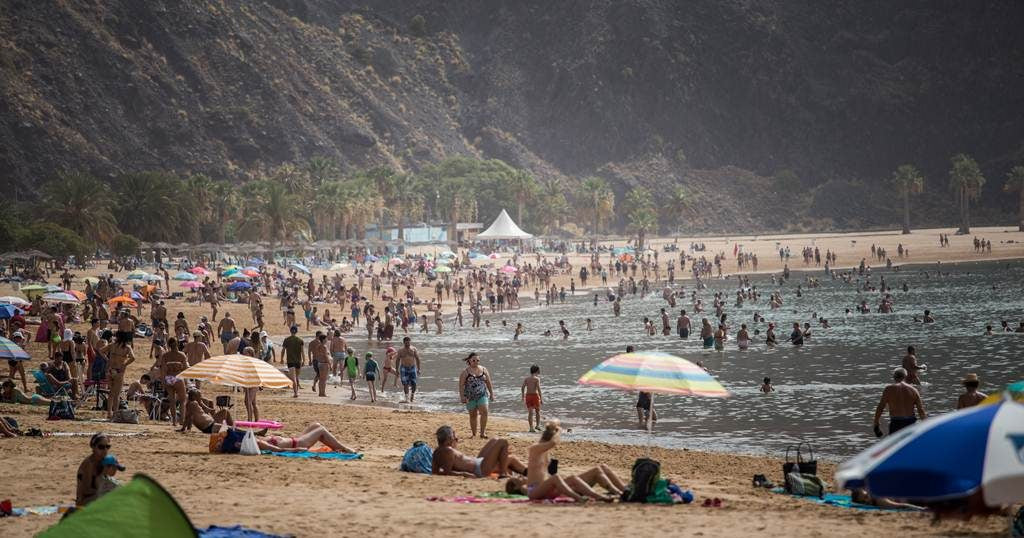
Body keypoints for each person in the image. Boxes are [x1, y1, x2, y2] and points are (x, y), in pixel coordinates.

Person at [507, 421, 624, 502]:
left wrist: (552, 429)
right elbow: (552, 443)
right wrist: (559, 431)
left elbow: (546, 442)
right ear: (516, 487)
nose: (519, 476)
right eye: (516, 479)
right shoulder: (533, 451)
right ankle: (589, 497)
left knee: (596, 470)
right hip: (537, 491)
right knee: (556, 477)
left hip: (547, 487)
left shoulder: (540, 453)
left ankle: (621, 492)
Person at [431, 425, 525, 478]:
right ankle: (504, 474)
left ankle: (522, 472)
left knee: (495, 440)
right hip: (479, 469)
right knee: (503, 442)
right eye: (454, 436)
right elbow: (448, 472)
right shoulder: (448, 451)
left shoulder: (436, 452)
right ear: (449, 439)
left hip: (478, 463)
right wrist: (464, 474)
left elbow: (434, 472)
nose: (456, 439)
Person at [873, 368, 927, 436]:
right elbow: (921, 410)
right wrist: (926, 427)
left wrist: (876, 423)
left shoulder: (888, 389)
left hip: (896, 423)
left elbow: (880, 407)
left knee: (895, 445)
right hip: (910, 422)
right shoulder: (913, 390)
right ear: (905, 377)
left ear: (894, 377)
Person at [459, 352, 495, 438]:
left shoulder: (484, 369)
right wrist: (462, 397)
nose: (476, 362)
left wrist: (492, 394)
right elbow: (461, 385)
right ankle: (474, 434)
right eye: (474, 360)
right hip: (470, 396)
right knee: (473, 415)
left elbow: (489, 382)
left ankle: (482, 433)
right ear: (469, 361)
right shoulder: (465, 372)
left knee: (485, 412)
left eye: (477, 360)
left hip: (482, 394)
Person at [258, 422, 355, 453]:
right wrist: (297, 449)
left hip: (296, 439)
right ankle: (343, 448)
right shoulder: (258, 443)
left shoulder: (255, 439)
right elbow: (278, 449)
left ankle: (336, 447)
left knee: (316, 425)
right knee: (320, 430)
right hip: (298, 443)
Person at [76, 433, 110, 507]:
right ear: (93, 447)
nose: (105, 450)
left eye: (107, 447)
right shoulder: (89, 464)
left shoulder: (102, 461)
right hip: (84, 503)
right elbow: (86, 490)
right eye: (101, 447)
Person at [396, 336, 421, 403]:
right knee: (405, 383)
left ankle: (412, 395)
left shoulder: (413, 349)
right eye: (406, 343)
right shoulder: (401, 350)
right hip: (404, 368)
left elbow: (417, 359)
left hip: (412, 367)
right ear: (404, 343)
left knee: (414, 383)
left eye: (409, 342)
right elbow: (397, 360)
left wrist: (419, 369)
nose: (408, 344)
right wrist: (396, 370)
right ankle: (407, 398)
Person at [282, 325, 304, 398]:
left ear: (290, 331)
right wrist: (304, 360)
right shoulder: (300, 340)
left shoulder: (287, 340)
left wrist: (282, 358)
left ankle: (296, 393)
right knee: (296, 377)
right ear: (296, 331)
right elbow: (302, 352)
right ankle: (297, 391)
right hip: (298, 361)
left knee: (293, 378)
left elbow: (283, 350)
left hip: (290, 361)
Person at [521, 365, 542, 432]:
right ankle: (537, 425)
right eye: (539, 370)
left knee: (530, 412)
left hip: (528, 396)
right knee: (537, 411)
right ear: (537, 371)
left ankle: (531, 428)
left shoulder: (527, 379)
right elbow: (539, 389)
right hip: (535, 396)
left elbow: (522, 387)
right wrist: (541, 398)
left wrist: (522, 396)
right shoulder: (537, 379)